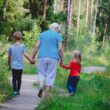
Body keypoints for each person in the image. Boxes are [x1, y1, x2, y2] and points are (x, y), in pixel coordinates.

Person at [32, 22, 63, 97]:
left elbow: (36, 46)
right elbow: (60, 49)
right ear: (57, 29)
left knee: (41, 72)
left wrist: (33, 57)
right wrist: (62, 59)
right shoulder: (58, 35)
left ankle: (41, 85)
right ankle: (47, 93)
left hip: (42, 56)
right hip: (53, 57)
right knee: (51, 74)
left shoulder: (42, 34)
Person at [8, 31, 34, 96]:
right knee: (19, 78)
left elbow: (9, 57)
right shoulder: (22, 46)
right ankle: (18, 90)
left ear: (14, 38)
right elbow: (25, 54)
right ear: (20, 38)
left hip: (13, 66)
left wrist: (9, 65)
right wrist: (31, 60)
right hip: (20, 66)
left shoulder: (11, 47)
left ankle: (14, 91)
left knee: (14, 78)